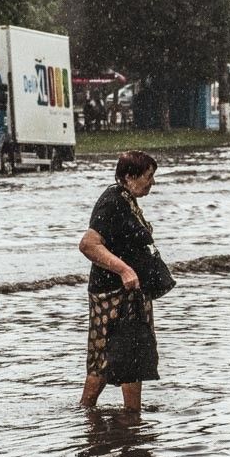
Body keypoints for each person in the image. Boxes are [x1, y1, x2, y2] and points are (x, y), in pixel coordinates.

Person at [78, 150, 162, 412]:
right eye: (149, 176)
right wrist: (125, 270)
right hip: (112, 294)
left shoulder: (127, 200)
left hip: (130, 294)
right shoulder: (112, 201)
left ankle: (127, 416)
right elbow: (88, 244)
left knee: (128, 356)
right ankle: (92, 412)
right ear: (129, 176)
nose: (152, 182)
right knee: (108, 357)